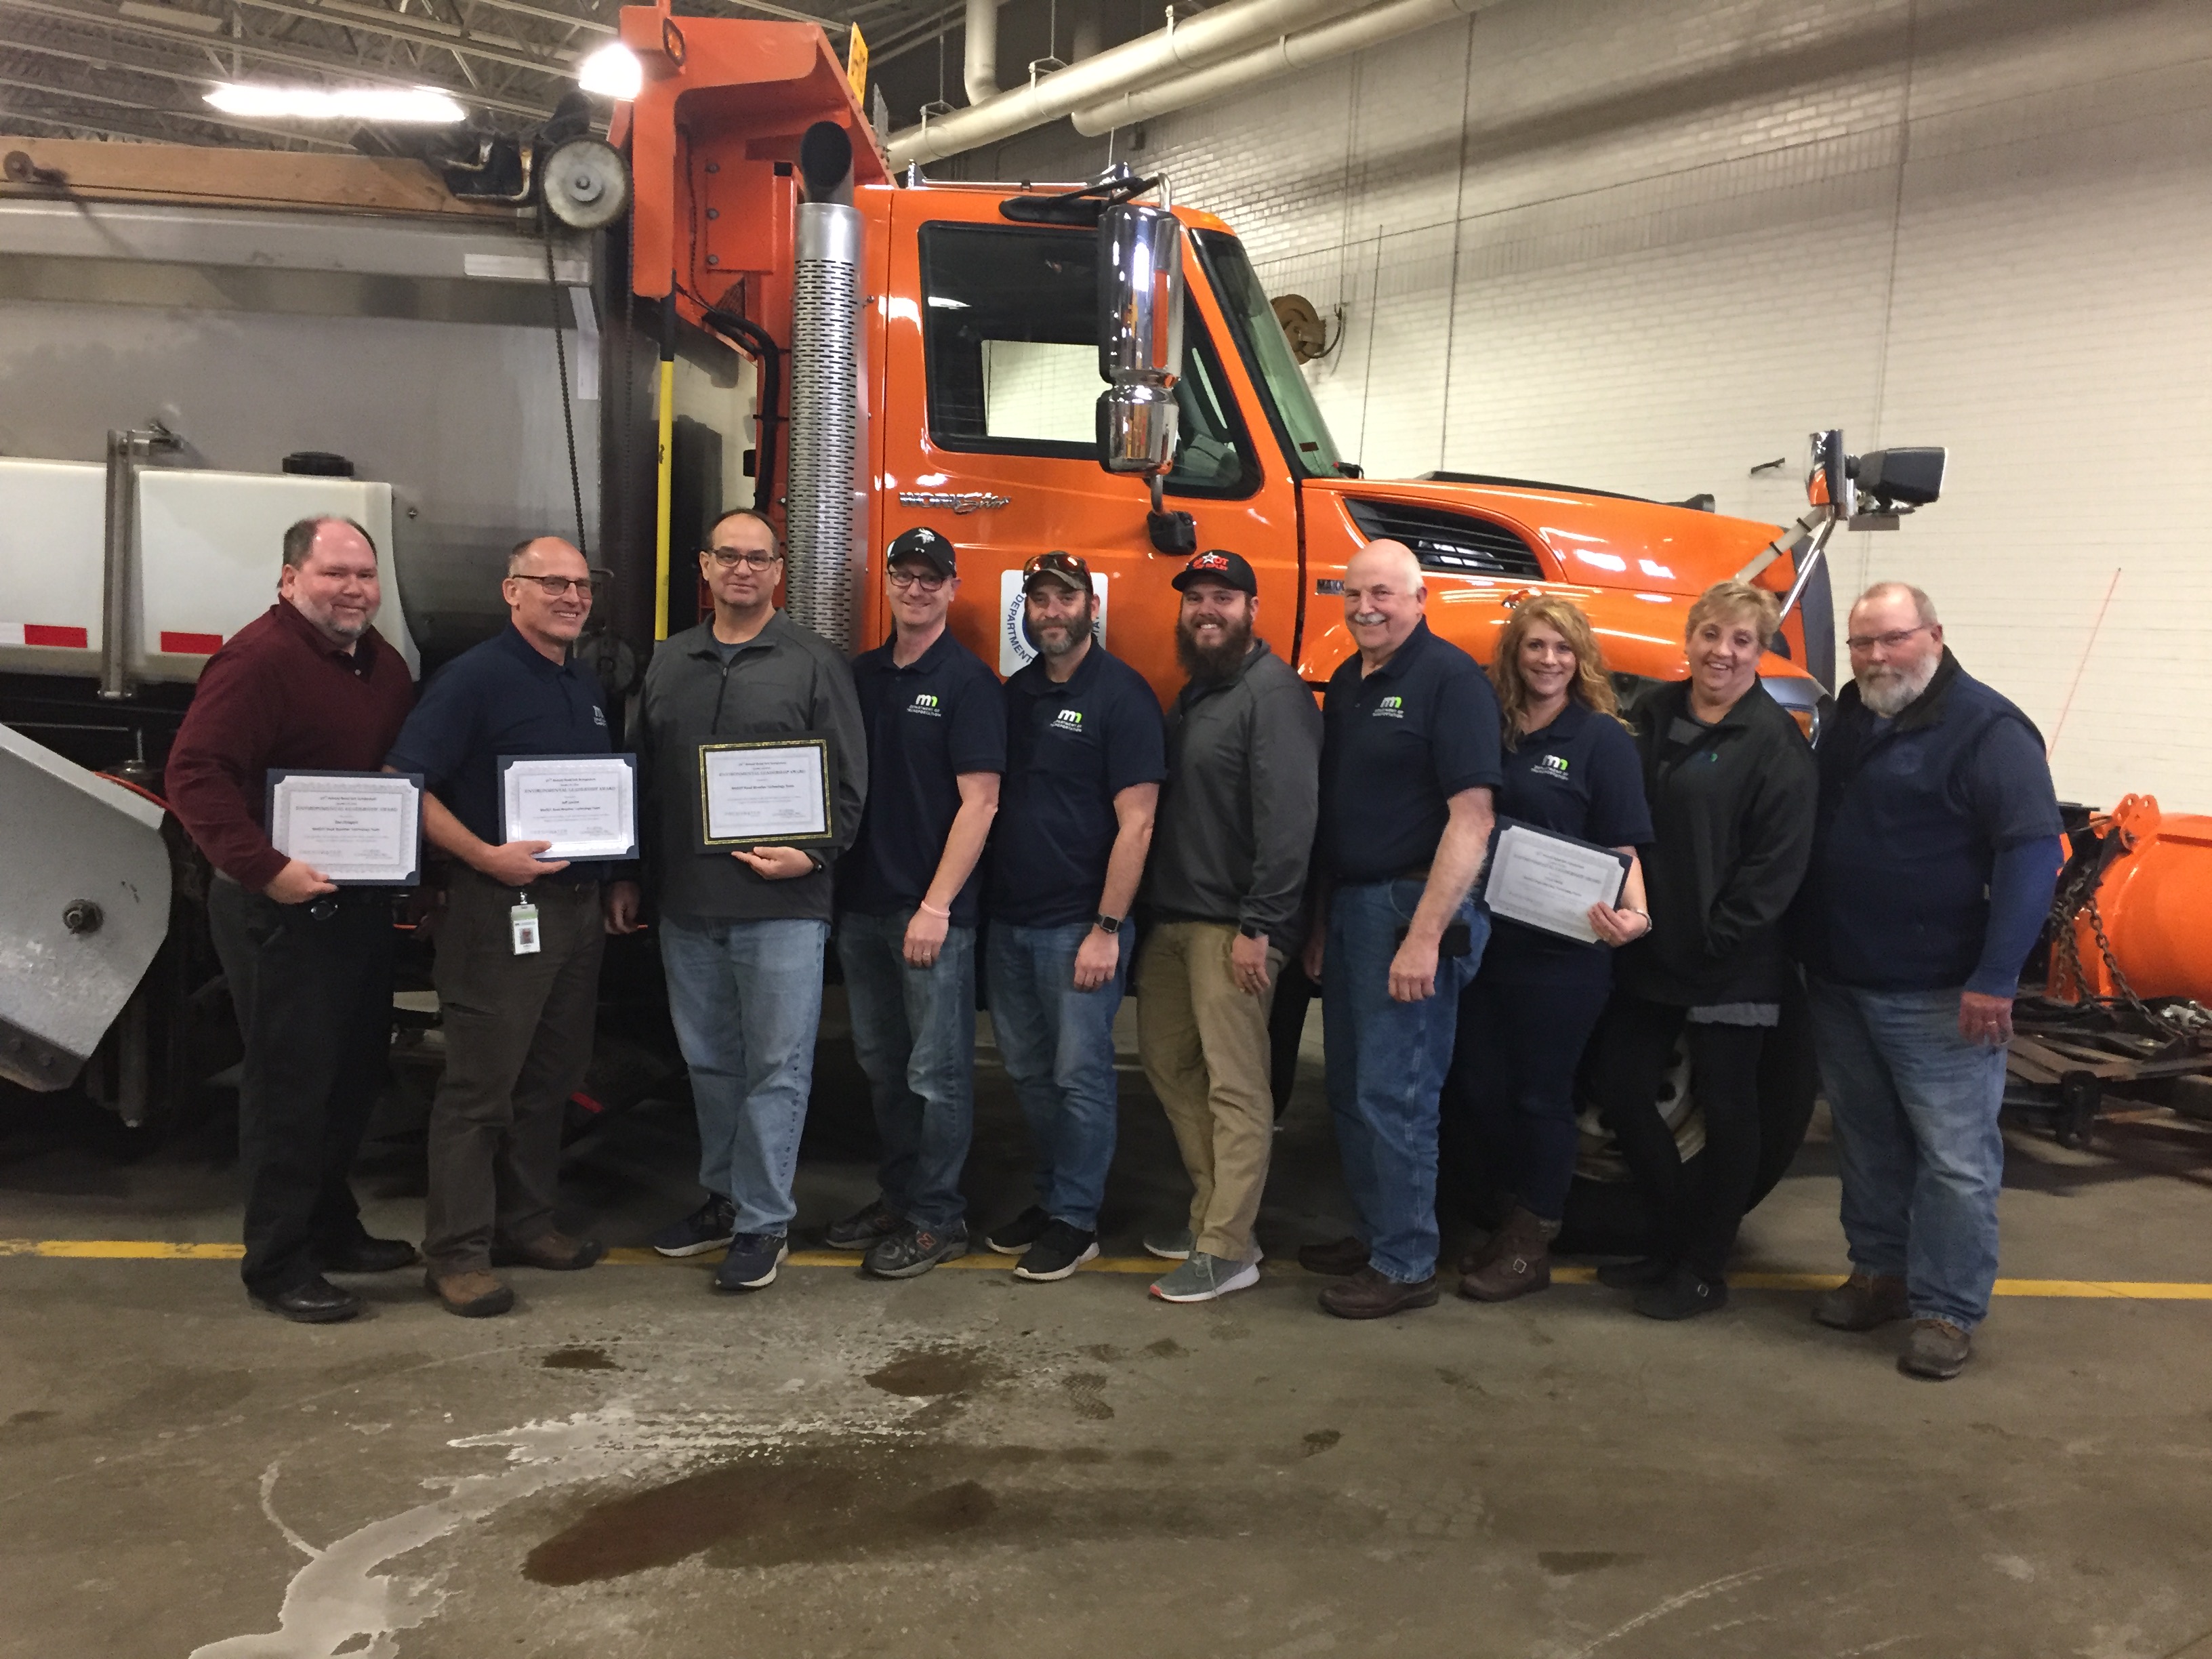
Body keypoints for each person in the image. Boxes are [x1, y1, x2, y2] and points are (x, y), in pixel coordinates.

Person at [1796, 582, 2062, 1380]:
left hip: (1942, 993)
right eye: (1862, 643)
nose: (1876, 657)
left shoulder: (1988, 729)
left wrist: (1996, 977)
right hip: (1842, 978)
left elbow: (2031, 856)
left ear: (1935, 636)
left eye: (1892, 639)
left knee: (1953, 1158)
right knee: (1868, 1141)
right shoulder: (1851, 716)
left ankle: (1946, 1310)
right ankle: (1879, 1275)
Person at [166, 516, 417, 1323]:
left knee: (348, 1077)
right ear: (289, 580)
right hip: (280, 912)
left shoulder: (382, 666)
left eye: (365, 576)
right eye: (334, 573)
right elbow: (195, 774)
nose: (353, 590)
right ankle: (277, 1263)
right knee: (288, 1089)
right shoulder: (258, 660)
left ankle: (331, 1229)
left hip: (357, 905)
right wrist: (267, 870)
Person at [626, 508, 867, 1293]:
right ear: (704, 566)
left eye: (758, 559)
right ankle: (724, 1200)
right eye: (728, 556)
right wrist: (632, 875)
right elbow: (644, 779)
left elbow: (851, 785)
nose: (742, 570)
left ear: (777, 571)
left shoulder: (814, 663)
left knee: (777, 1067)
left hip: (783, 909)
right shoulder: (669, 661)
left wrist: (814, 852)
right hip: (687, 906)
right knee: (709, 1063)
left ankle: (764, 1223)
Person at [384, 537, 619, 1318]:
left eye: (582, 586)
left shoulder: (579, 680)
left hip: (575, 912)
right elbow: (404, 787)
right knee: (480, 1090)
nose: (571, 597)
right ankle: (455, 1253)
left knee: (549, 1080)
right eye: (552, 583)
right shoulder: (475, 678)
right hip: (499, 911)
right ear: (510, 591)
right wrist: (486, 856)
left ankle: (527, 1224)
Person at [1586, 579, 1816, 1319]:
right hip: (1650, 949)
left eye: (1741, 640)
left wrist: (1715, 941)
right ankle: (1669, 1239)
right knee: (1622, 1088)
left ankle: (1704, 1268)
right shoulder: (1649, 714)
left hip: (1731, 961)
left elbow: (1776, 867)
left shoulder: (1776, 745)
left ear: (1761, 651)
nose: (1722, 652)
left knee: (1728, 1111)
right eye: (1711, 634)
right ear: (1688, 640)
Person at [1298, 539, 1502, 1319]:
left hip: (1410, 911)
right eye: (1353, 595)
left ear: (1421, 600)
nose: (1365, 608)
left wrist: (1425, 934)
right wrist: (1322, 921)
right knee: (1352, 1091)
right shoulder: (1350, 681)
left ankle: (1407, 1261)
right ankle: (1378, 1232)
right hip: (1352, 909)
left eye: (1382, 594)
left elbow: (1473, 820)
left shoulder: (1451, 681)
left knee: (1399, 1093)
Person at [1448, 596, 1653, 1303]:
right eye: (1535, 646)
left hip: (1563, 957)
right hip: (1480, 946)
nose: (1548, 660)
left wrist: (1638, 915)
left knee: (1541, 1096)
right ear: (1514, 653)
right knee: (1477, 1086)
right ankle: (1507, 1216)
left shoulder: (1602, 740)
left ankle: (1532, 1241)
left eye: (1562, 649)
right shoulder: (1492, 730)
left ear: (1581, 658)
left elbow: (1624, 844)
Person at [1135, 550, 1322, 1303]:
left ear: (1252, 608)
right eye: (1195, 599)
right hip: (1176, 922)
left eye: (1222, 598)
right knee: (1169, 1065)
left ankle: (1227, 1247)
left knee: (1236, 1089)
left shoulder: (1274, 696)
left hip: (1233, 929)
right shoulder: (1201, 694)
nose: (1206, 610)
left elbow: (1290, 823)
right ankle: (1219, 1215)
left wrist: (1263, 927)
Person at [824, 527, 1003, 1278]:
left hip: (928, 916)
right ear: (889, 583)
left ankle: (938, 1216)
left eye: (932, 577)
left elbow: (981, 802)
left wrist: (936, 907)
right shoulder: (859, 677)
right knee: (884, 1066)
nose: (917, 588)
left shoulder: (969, 683)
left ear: (952, 588)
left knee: (938, 1073)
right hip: (862, 906)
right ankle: (899, 1196)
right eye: (905, 574)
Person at [983, 552, 1165, 1282]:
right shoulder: (1015, 694)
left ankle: (1077, 1220)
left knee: (1080, 1075)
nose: (1051, 612)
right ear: (1024, 611)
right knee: (1027, 1072)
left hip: (1078, 928)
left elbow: (1140, 823)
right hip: (1010, 924)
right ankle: (1055, 1196)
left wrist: (1108, 928)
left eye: (1065, 598)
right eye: (1039, 600)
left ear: (1091, 606)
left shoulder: (1123, 697)